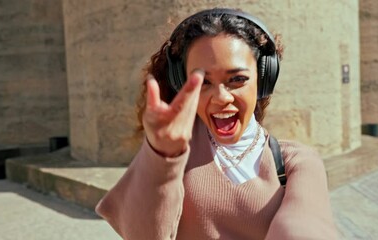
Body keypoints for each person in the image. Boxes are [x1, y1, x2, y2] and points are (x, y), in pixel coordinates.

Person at [95, 8, 338, 240]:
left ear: (264, 79)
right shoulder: (174, 156)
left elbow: (305, 226)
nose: (221, 98)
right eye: (203, 82)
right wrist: (161, 155)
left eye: (237, 79)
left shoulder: (296, 161)